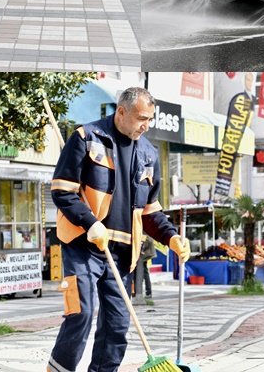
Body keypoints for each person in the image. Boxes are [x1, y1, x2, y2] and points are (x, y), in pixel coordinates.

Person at [47, 87, 191, 372]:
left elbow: (150, 211)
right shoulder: (87, 138)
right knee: (81, 312)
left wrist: (170, 237)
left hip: (123, 253)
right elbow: (62, 191)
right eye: (141, 118)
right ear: (122, 112)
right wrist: (91, 224)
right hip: (82, 245)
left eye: (150, 119)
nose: (146, 126)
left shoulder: (149, 154)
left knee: (117, 324)